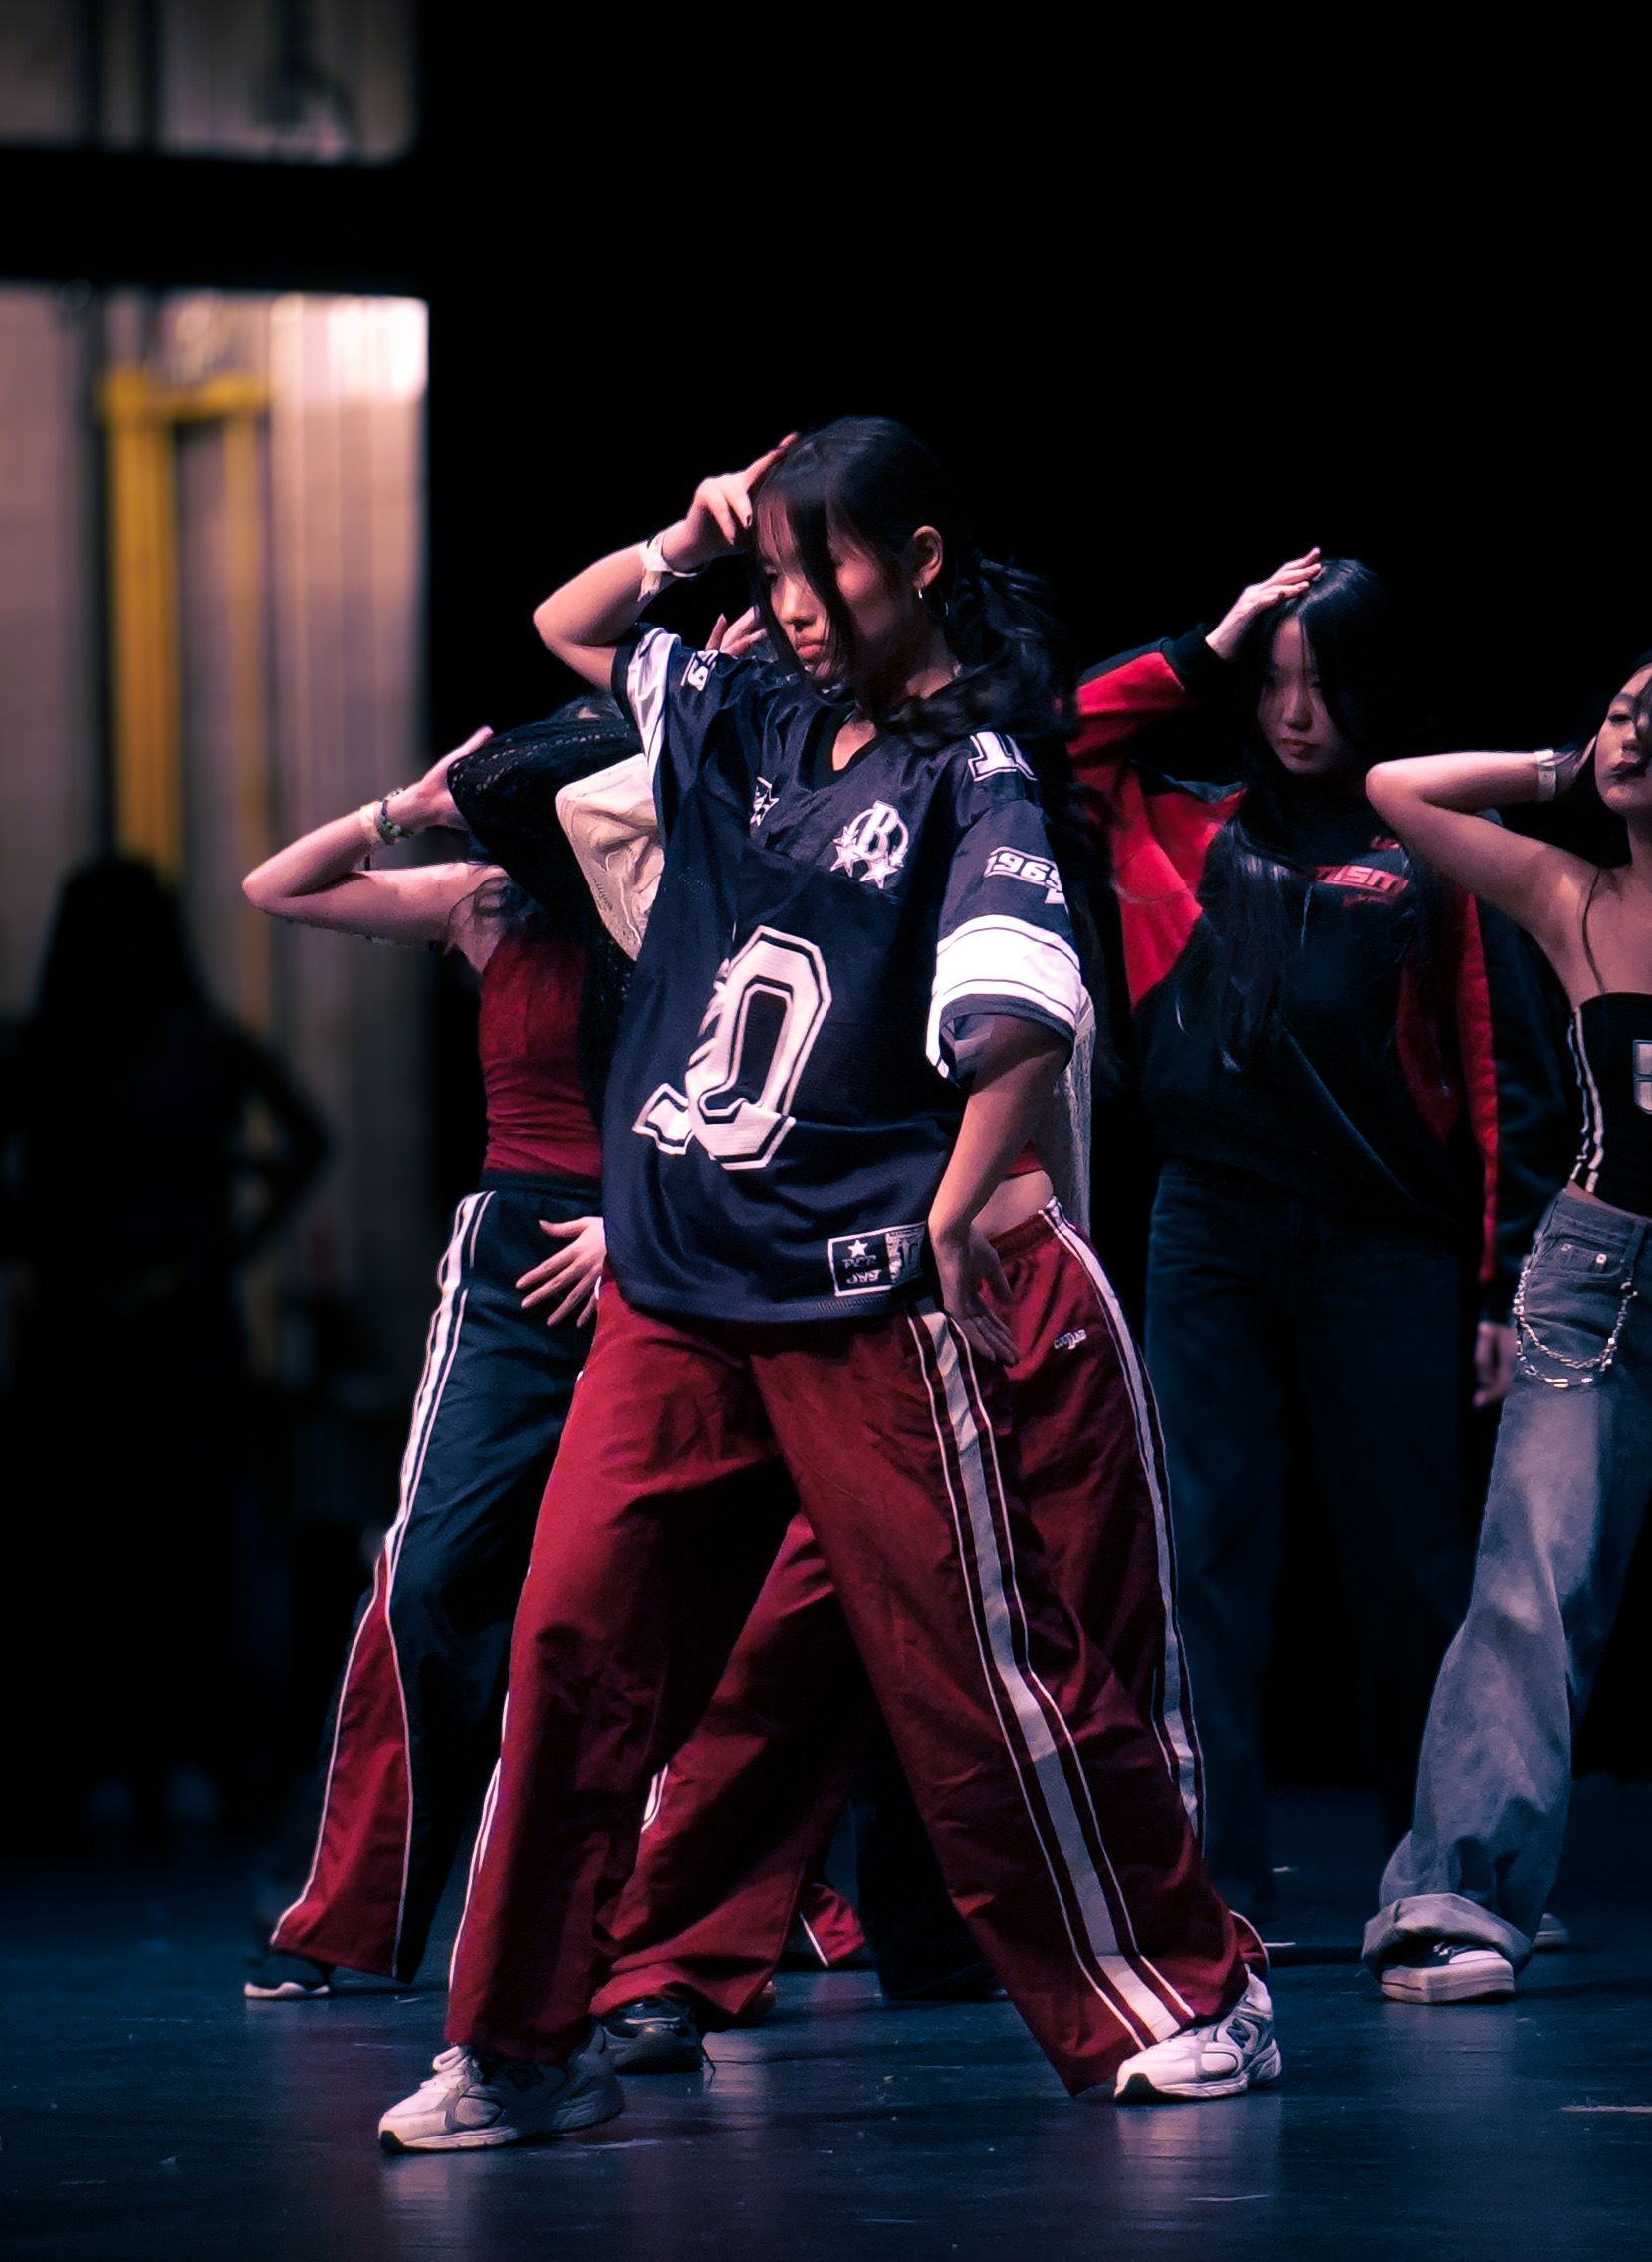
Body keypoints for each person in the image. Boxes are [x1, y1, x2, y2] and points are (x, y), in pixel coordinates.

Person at [377, 418, 1275, 2153]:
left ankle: (1184, 1989)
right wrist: (694, 528)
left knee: (972, 1676)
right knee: (575, 1643)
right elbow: (575, 629)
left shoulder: (972, 773)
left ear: (918, 560)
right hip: (677, 1285)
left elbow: (1019, 1016)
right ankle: (518, 2040)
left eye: (825, 569)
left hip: (859, 1291)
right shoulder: (741, 727)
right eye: (774, 578)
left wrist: (947, 1213)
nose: (791, 608)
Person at [453, 677, 1208, 2062]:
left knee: (1056, 1647)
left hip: (1004, 1284)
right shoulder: (725, 851)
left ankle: (1157, 1960)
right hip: (827, 1310)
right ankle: (664, 1966)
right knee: (774, 1665)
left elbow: (1014, 1046)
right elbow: (571, 787)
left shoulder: (973, 813)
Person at [1066, 553, 1568, 1911]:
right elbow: (1071, 732)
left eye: (1319, 681)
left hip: (1381, 1246)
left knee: (1403, 1555)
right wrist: (1211, 636)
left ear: (1370, 684)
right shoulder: (1181, 821)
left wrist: (1493, 1286)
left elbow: (1500, 1071)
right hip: (1207, 1232)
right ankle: (1208, 1888)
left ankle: (1433, 1869)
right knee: (1203, 1555)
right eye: (1273, 682)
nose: (1293, 712)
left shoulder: (1428, 847)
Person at [239, 706, 633, 1997]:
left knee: (637, 1599)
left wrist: (634, 1226)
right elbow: (276, 887)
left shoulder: (668, 898)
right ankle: (356, 1917)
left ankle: (665, 1934)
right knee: (429, 1576)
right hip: (518, 1256)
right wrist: (400, 806)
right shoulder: (484, 901)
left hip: (654, 1246)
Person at [1361, 663, 1652, 2003]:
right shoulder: (1574, 895)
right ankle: (1456, 1895)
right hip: (1597, 1280)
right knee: (1529, 1577)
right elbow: (1394, 790)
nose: (1633, 724)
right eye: (1623, 704)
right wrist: (1558, 761)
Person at [1, 858, 325, 1840]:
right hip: (90, 1322)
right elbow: (302, 1146)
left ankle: (182, 1751)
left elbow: (307, 1144)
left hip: (165, 1320)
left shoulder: (191, 1044)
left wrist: (222, 1245)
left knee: (176, 1536)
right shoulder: (49, 1048)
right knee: (84, 1544)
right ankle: (100, 1753)